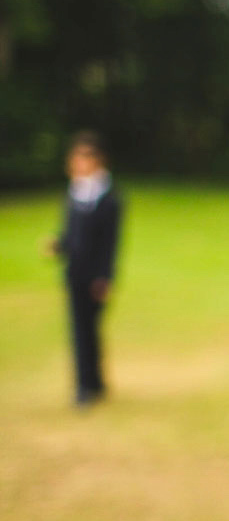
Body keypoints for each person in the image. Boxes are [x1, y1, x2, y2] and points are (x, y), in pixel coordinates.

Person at [49, 131, 123, 406]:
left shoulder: (110, 197)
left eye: (87, 156)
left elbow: (111, 243)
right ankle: (84, 385)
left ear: (99, 159)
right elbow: (70, 235)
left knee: (91, 330)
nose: (82, 162)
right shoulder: (73, 192)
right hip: (74, 272)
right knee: (79, 330)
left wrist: (106, 276)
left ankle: (94, 381)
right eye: (78, 156)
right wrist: (58, 245)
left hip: (96, 275)